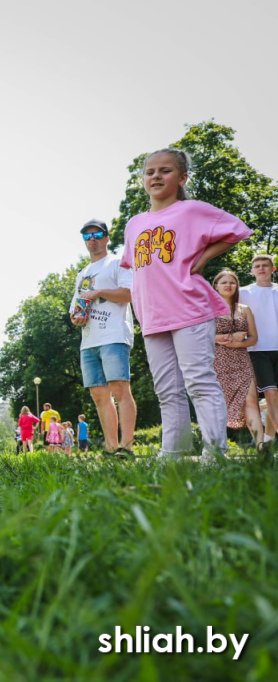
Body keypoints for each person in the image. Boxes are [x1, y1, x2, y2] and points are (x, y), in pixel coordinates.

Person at [120, 148, 251, 459]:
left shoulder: (192, 211)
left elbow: (237, 229)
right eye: (150, 172)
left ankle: (215, 453)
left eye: (165, 171)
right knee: (167, 391)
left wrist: (204, 256)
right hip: (152, 315)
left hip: (190, 308)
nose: (155, 176)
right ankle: (173, 455)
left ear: (181, 178)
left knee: (199, 382)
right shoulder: (134, 224)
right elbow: (136, 268)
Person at [69, 219, 138, 458]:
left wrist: (98, 292)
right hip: (88, 341)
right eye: (87, 237)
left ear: (107, 237)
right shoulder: (82, 274)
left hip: (114, 335)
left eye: (97, 234)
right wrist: (76, 317)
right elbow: (75, 309)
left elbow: (129, 294)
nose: (92, 240)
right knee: (99, 396)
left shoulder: (118, 263)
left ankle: (127, 447)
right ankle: (110, 448)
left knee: (120, 390)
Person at [213, 269, 265, 448]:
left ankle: (260, 446)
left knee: (250, 401)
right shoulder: (207, 309)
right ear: (216, 286)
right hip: (217, 362)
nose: (228, 285)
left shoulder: (244, 310)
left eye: (232, 282)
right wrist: (223, 338)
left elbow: (253, 338)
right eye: (224, 282)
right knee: (217, 404)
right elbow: (200, 337)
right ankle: (216, 448)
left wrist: (236, 343)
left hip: (242, 360)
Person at [239, 255, 278, 448]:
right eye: (257, 266)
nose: (261, 268)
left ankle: (269, 441)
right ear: (252, 271)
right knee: (270, 395)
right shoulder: (242, 292)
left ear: (273, 268)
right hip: (258, 350)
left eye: (265, 265)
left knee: (276, 399)